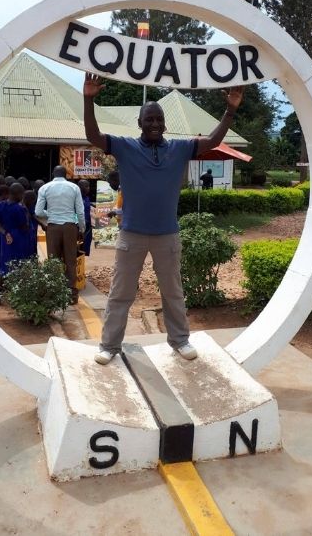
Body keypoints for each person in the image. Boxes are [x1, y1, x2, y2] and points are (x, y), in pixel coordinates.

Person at [83, 72, 243, 365]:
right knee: (121, 293)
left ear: (164, 123)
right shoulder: (124, 146)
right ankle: (109, 345)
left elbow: (213, 140)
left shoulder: (180, 149)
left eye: (158, 119)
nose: (154, 124)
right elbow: (93, 137)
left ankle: (180, 340)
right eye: (149, 119)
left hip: (167, 234)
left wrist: (230, 109)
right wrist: (88, 99)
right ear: (140, 123)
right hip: (132, 233)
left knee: (173, 291)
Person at [35, 166, 85, 304]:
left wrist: (51, 214)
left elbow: (38, 211)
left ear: (53, 174)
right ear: (66, 175)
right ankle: (71, 295)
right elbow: (80, 212)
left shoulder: (44, 188)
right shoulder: (74, 188)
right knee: (70, 260)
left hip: (53, 227)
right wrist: (81, 228)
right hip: (70, 226)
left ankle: (55, 293)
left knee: (53, 260)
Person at [0, 183, 34, 304]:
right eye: (21, 194)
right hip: (19, 239)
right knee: (19, 265)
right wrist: (27, 212)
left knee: (4, 265)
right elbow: (25, 226)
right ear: (17, 194)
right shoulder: (19, 209)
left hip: (6, 239)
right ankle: (18, 295)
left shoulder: (1, 206)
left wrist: (5, 233)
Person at [78, 179, 93, 258]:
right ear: (80, 187)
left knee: (86, 245)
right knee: (79, 246)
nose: (88, 188)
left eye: (89, 186)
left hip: (88, 227)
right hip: (80, 226)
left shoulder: (87, 198)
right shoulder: (77, 199)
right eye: (86, 186)